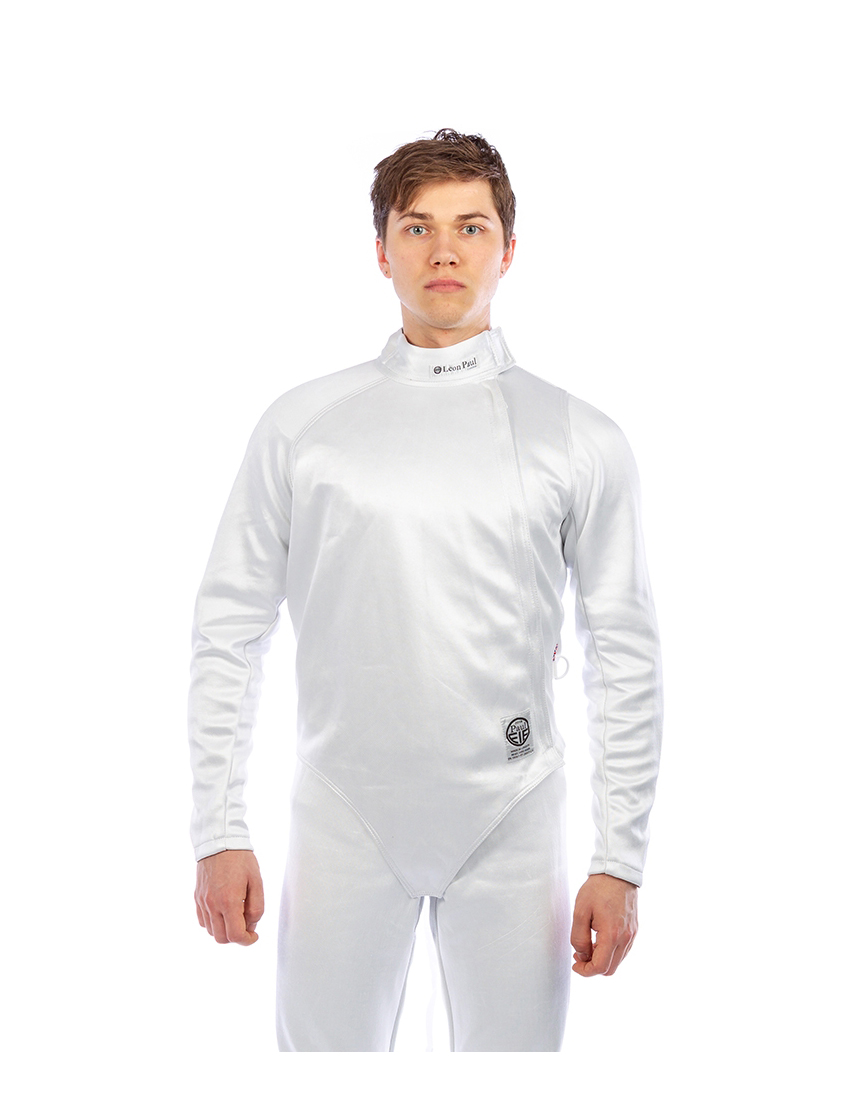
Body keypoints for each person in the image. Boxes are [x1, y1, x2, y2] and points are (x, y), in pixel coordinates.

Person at [189, 128, 663, 1052]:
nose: (445, 251)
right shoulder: (302, 428)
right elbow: (228, 630)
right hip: (342, 810)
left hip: (513, 809)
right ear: (382, 250)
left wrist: (620, 860)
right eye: (418, 227)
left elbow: (625, 652)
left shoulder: (580, 438)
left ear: (508, 249)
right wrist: (218, 830)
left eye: (470, 227)